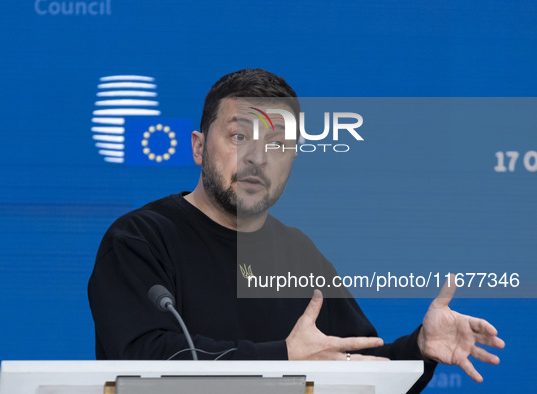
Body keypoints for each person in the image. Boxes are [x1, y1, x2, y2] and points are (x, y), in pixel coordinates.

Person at [88, 69, 504, 393]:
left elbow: (359, 370)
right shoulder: (139, 239)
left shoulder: (299, 254)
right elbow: (145, 361)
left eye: (278, 144)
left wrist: (419, 348)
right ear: (198, 146)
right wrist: (284, 357)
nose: (257, 157)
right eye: (239, 136)